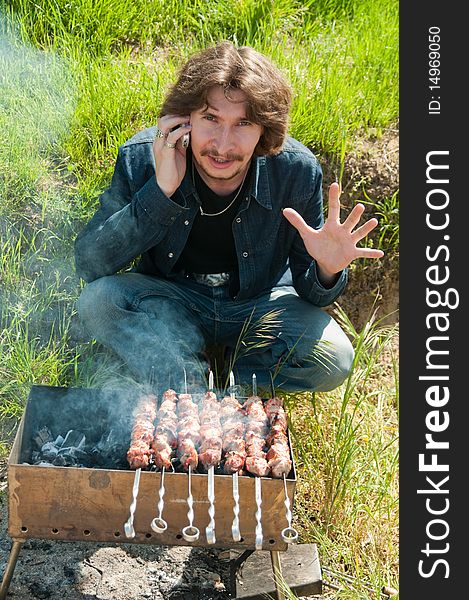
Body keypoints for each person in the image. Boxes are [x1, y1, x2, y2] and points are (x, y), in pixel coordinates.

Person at [74, 41, 383, 393]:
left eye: (243, 123)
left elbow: (313, 294)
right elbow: (90, 264)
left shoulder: (295, 171)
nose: (223, 144)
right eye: (211, 118)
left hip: (258, 305)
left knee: (336, 358)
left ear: (264, 130)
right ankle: (184, 378)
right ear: (184, 118)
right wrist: (160, 192)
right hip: (171, 300)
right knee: (99, 302)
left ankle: (234, 385)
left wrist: (328, 270)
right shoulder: (144, 157)